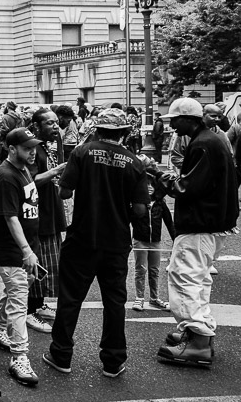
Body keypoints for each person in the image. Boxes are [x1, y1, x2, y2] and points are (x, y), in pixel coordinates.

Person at [43, 109, 147, 379]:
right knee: (115, 301)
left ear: (98, 130)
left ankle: (61, 354)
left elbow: (65, 191)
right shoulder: (135, 163)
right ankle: (113, 361)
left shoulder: (82, 152)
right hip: (116, 241)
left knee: (70, 298)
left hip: (82, 237)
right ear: (123, 133)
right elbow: (139, 210)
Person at [156, 98, 238, 367]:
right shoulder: (210, 140)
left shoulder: (202, 143)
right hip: (213, 223)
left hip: (199, 224)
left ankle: (198, 340)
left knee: (184, 278)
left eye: (174, 120)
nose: (171, 125)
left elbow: (186, 188)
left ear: (187, 119)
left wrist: (157, 174)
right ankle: (198, 333)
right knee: (198, 279)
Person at [0, 127, 43, 387]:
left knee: (16, 290)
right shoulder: (6, 176)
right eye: (27, 148)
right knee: (19, 298)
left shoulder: (21, 169)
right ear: (11, 149)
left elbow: (24, 196)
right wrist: (27, 251)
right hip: (10, 248)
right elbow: (10, 217)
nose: (33, 151)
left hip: (23, 246)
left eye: (34, 147)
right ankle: (19, 356)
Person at [25, 108, 67, 334]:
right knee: (39, 264)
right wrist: (57, 170)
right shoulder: (33, 149)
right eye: (50, 123)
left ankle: (39, 305)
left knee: (50, 263)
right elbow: (31, 179)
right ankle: (29, 311)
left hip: (50, 213)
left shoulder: (44, 147)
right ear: (37, 126)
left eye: (56, 123)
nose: (55, 127)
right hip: (39, 216)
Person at [131, 154, 174, 312]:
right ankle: (139, 297)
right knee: (140, 269)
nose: (148, 186)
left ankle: (154, 298)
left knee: (155, 270)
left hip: (155, 241)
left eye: (151, 183)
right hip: (139, 240)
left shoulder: (160, 203)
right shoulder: (136, 204)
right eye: (145, 183)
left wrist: (176, 240)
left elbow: (170, 223)